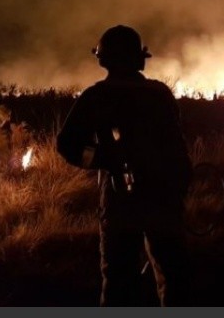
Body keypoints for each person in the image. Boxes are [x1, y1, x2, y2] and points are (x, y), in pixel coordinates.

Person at [57, 24, 193, 306]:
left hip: (121, 199)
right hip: (163, 198)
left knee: (119, 281)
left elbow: (67, 144)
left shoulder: (96, 96)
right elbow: (177, 148)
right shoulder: (159, 94)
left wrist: (103, 160)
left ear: (103, 60)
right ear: (139, 59)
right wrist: (179, 186)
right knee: (174, 277)